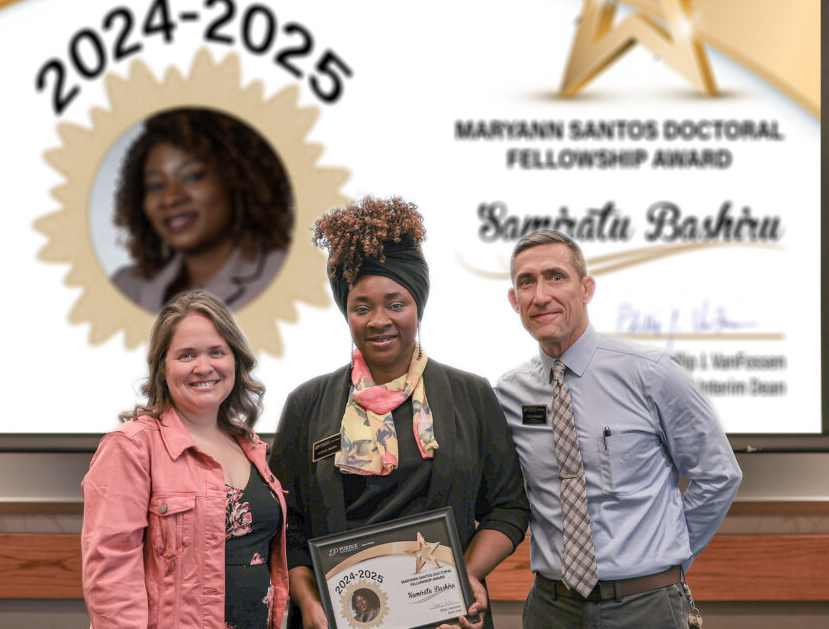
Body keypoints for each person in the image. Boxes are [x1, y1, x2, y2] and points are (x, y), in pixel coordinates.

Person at [270, 196, 530, 629]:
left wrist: (464, 577)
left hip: (445, 619)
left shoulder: (470, 394)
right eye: (361, 307)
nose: (379, 320)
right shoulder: (307, 403)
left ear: (418, 306)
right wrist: (310, 604)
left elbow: (508, 507)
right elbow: (288, 528)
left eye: (395, 303)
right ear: (346, 312)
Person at [495, 230, 742, 629]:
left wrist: (669, 559)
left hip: (647, 607)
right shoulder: (508, 394)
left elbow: (719, 475)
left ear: (586, 288)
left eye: (556, 276)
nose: (541, 295)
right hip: (550, 609)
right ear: (514, 300)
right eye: (527, 281)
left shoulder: (652, 373)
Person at [81, 290, 289, 628]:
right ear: (162, 367)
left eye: (216, 352)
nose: (203, 367)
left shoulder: (251, 446)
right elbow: (110, 579)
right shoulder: (131, 447)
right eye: (186, 355)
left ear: (234, 359)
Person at [110, 107, 293, 312]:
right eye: (156, 186)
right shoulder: (125, 287)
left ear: (237, 180)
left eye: (192, 176)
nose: (170, 199)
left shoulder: (286, 274)